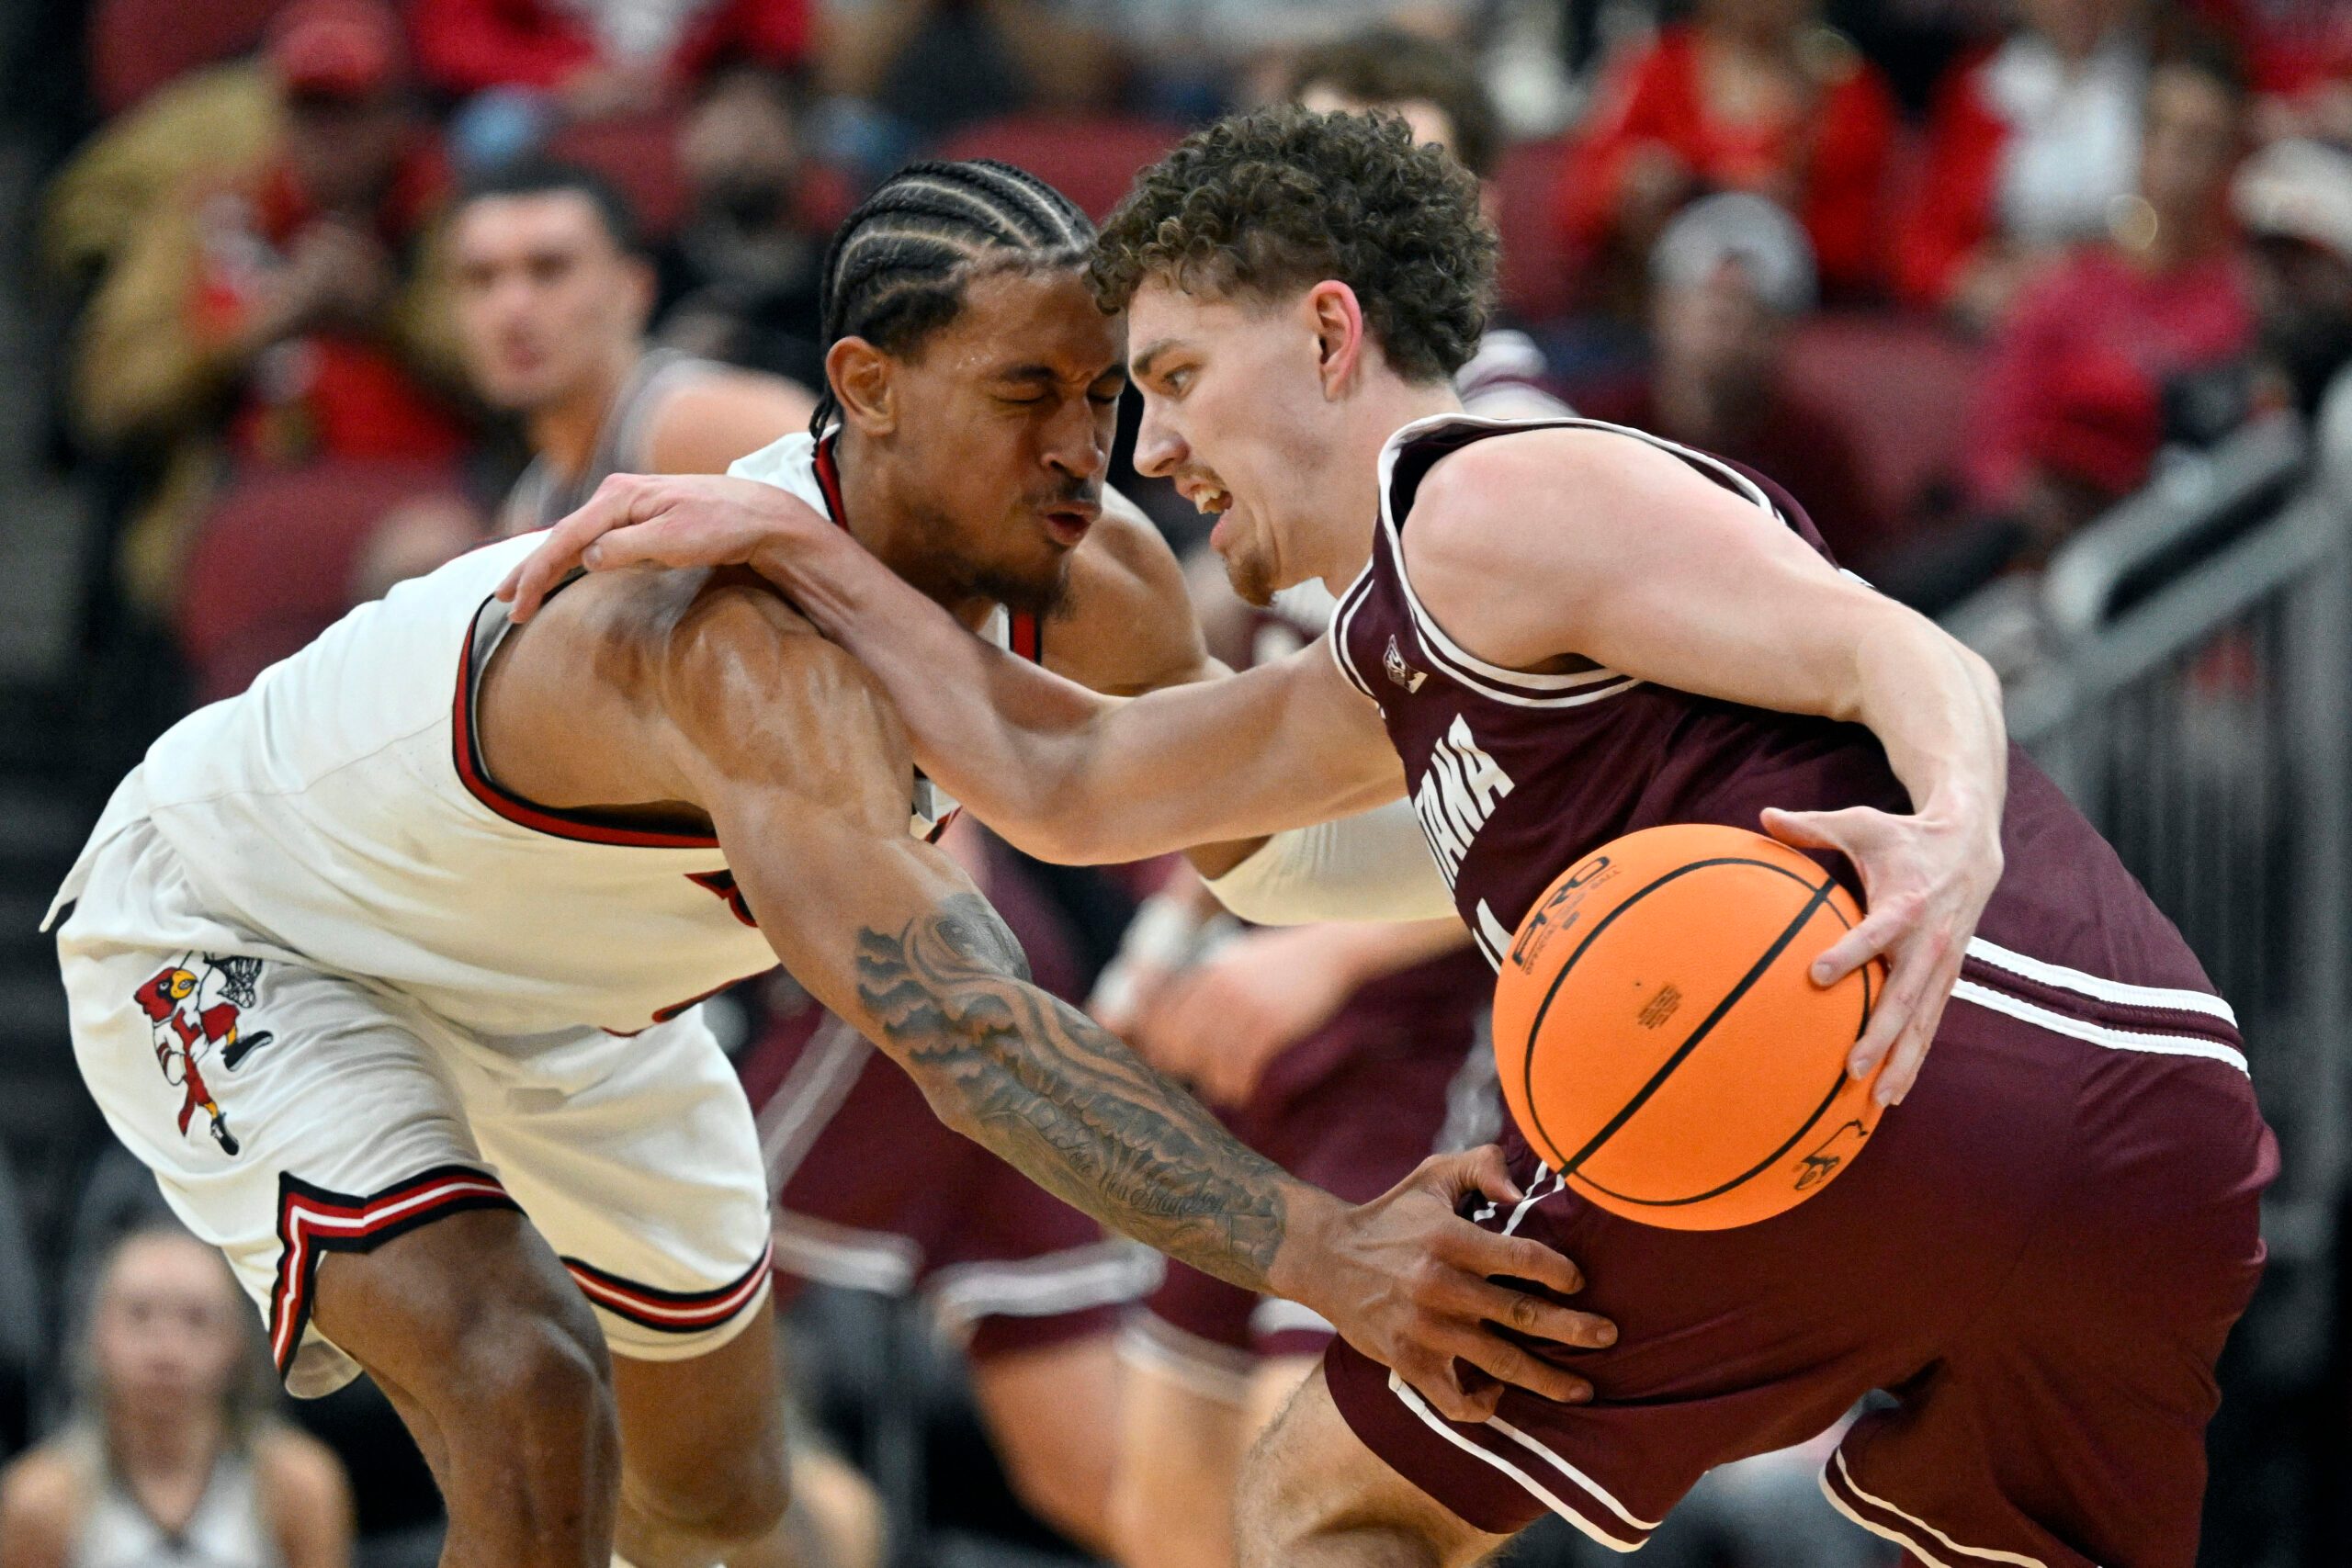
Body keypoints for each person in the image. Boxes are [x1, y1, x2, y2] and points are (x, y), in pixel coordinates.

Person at [512, 109, 2277, 1568]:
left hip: (1862, 1038)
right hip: (2152, 1118)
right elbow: (1085, 780)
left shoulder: (1481, 489)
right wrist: (811, 544)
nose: (1161, 445)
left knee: (1325, 1494)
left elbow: (1907, 648)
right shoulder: (1405, 643)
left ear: (1335, 337)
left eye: (1182, 376)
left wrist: (1957, 821)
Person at [50, 152, 1608, 1568]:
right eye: (1026, 395)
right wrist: (1334, 1253)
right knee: (526, 1392)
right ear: (867, 385)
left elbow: (1265, 854)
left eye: (1100, 389)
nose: (1084, 447)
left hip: (572, 1004)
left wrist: (1583, 838)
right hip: (244, 927)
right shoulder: (730, 645)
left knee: (727, 1504)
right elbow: (972, 1039)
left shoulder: (1092, 566)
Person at [1102, 44, 1570, 1566]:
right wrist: (1163, 948)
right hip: (1272, 998)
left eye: (1394, 179)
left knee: (1338, 1508)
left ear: (1473, 215)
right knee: (1164, 1502)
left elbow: (1574, 793)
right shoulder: (1284, 435)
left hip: (1458, 1012)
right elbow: (1259, 736)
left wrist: (1322, 953)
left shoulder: (1501, 445)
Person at [73, 0, 470, 617]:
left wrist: (389, 315)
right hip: (233, 507)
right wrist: (265, 323)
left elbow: (519, 386)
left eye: (351, 109)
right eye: (309, 109)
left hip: (435, 517)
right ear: (276, 114)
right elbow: (111, 397)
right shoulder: (202, 218)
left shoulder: (456, 216)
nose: (328, 136)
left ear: (398, 115)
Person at [447, 162, 816, 537]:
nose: (511, 309)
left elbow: (871, 531)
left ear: (633, 289)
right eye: (481, 279)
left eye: (549, 269)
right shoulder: (531, 503)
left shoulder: (694, 422)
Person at [0, 1226, 351, 1568]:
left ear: (239, 1343)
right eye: (138, 1315)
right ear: (95, 1336)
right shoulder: (41, 1502)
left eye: (196, 1319)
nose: (166, 1349)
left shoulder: (295, 1486)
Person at [1579, 192, 1886, 570]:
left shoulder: (1816, 457)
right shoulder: (1596, 428)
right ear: (1661, 308)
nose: (1730, 327)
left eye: (1755, 314)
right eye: (1711, 305)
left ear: (1785, 334)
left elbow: (1855, 582)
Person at [1556, 0, 1899, 303]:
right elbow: (1579, 205)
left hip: (1793, 316)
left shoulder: (1845, 91)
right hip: (1647, 308)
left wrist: (1784, 213)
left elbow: (1859, 249)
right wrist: (1629, 187)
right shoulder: (1656, 68)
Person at [1897, 0, 2154, 323]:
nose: (2081, 7)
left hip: (2124, 300)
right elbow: (1927, 242)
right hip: (2006, 306)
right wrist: (1969, 281)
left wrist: (2071, 273)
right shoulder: (1982, 88)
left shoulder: (2159, 92)